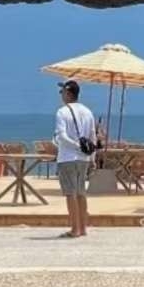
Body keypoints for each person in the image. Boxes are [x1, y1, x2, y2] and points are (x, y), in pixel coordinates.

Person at [54, 79, 95, 238]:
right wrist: (92, 157)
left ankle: (75, 229)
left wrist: (76, 145)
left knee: (70, 194)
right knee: (81, 193)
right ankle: (83, 228)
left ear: (68, 93)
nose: (61, 95)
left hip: (67, 157)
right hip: (84, 158)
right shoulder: (88, 112)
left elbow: (62, 136)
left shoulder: (62, 112)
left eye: (62, 92)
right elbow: (92, 136)